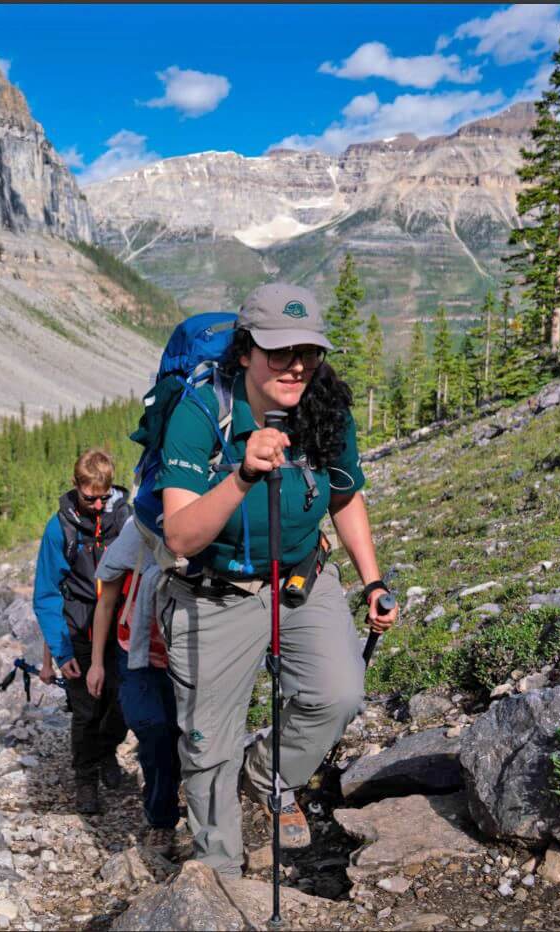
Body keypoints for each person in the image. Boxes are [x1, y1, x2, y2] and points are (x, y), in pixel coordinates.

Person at [154, 282, 398, 876]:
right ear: (245, 353)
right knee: (208, 743)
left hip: (300, 578)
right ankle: (218, 875)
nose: (296, 366)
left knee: (337, 693)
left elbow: (345, 497)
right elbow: (181, 536)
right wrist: (240, 474)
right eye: (279, 352)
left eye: (308, 352)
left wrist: (372, 581)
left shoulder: (326, 410)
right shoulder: (198, 412)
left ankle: (266, 775)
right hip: (214, 591)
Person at [33, 448, 132, 814]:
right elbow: (46, 594)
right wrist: (61, 653)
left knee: (124, 702)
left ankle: (106, 750)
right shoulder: (59, 528)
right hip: (78, 629)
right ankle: (85, 777)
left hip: (122, 626)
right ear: (76, 486)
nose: (96, 505)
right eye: (90, 497)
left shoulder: (125, 518)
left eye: (103, 497)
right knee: (86, 709)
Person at [86, 526, 181, 856]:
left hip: (187, 653)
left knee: (184, 735)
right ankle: (162, 821)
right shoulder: (135, 536)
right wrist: (96, 662)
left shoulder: (207, 525)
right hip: (137, 651)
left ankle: (196, 815)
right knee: (153, 730)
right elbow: (107, 601)